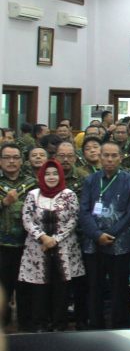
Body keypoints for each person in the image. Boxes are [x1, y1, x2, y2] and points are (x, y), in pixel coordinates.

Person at [78, 141, 130, 329]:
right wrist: (97, 234)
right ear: (100, 157)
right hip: (93, 243)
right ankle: (95, 326)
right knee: (94, 287)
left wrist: (110, 234)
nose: (110, 159)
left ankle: (119, 326)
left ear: (121, 158)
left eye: (114, 156)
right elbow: (83, 211)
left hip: (119, 243)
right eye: (106, 155)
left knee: (119, 288)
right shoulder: (90, 180)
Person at [18, 160, 84, 331]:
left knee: (61, 289)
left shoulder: (69, 195)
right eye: (47, 174)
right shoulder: (33, 194)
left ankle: (59, 325)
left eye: (55, 173)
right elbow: (27, 219)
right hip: (37, 249)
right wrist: (43, 237)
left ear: (61, 175)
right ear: (41, 176)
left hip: (64, 248)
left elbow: (74, 219)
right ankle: (40, 324)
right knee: (39, 290)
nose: (51, 177)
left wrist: (55, 239)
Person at [0, 142, 35, 329]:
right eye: (7, 158)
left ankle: (26, 325)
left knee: (25, 288)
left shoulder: (32, 183)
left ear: (22, 161)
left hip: (27, 245)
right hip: (2, 246)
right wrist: (4, 202)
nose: (11, 161)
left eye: (15, 158)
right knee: (3, 288)